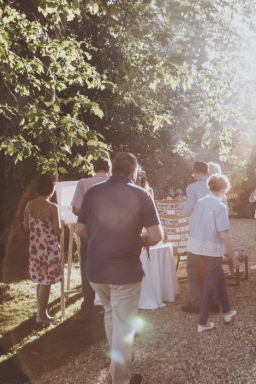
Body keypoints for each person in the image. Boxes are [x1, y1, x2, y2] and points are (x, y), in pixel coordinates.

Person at [76, 152, 163, 384]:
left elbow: (80, 229)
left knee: (111, 315)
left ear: (112, 169)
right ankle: (120, 379)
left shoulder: (93, 192)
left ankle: (117, 365)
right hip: (124, 270)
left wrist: (97, 240)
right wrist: (139, 241)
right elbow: (156, 235)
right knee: (124, 326)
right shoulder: (141, 194)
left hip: (96, 269)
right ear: (133, 172)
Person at [186, 174, 239, 332]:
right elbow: (224, 235)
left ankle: (227, 311)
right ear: (224, 188)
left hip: (195, 246)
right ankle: (202, 322)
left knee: (219, 277)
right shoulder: (220, 206)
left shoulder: (199, 203)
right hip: (211, 248)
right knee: (210, 283)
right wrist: (233, 256)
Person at [71, 156, 111, 321]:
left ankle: (88, 307)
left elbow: (75, 208)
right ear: (109, 169)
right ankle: (108, 306)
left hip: (90, 231)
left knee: (88, 269)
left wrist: (87, 217)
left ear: (94, 169)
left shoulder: (83, 183)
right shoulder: (115, 183)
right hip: (110, 233)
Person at [23, 174, 63, 325]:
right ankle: (41, 316)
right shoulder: (53, 208)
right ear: (51, 189)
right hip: (49, 249)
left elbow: (26, 227)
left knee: (41, 280)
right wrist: (61, 223)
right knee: (46, 282)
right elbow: (57, 231)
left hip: (35, 249)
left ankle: (42, 312)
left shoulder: (29, 205)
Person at [180, 161, 213, 314]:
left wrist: (182, 206)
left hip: (198, 233)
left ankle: (196, 303)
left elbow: (187, 211)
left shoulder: (192, 188)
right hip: (213, 231)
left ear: (196, 172)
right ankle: (214, 302)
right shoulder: (216, 184)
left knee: (192, 267)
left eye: (193, 173)